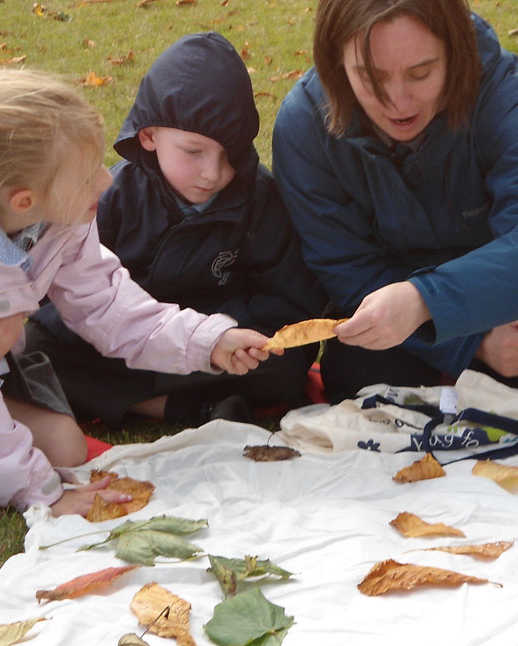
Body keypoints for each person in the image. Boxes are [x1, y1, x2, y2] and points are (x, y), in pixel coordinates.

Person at [0, 69, 276, 515]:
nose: (106, 183)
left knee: (64, 447)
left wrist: (207, 340)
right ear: (23, 201)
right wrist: (45, 494)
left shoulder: (61, 215)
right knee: (6, 431)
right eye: (87, 176)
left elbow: (107, 303)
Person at [271, 0, 518, 412]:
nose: (398, 101)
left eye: (420, 74)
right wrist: (467, 342)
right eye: (371, 77)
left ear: (454, 50)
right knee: (366, 390)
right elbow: (342, 266)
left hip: (503, 282)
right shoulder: (304, 124)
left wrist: (428, 299)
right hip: (385, 288)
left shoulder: (505, 91)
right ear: (336, 62)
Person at [26, 33, 326, 428]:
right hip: (124, 341)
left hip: (221, 346)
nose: (213, 172)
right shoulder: (113, 196)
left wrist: (222, 330)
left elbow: (290, 300)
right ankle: (182, 410)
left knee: (279, 368)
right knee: (38, 350)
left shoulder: (260, 200)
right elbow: (67, 301)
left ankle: (172, 400)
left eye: (230, 152)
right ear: (149, 136)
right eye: (194, 152)